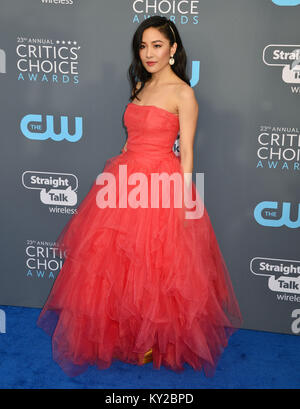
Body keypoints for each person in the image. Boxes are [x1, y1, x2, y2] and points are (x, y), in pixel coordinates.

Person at [37, 15, 243, 378]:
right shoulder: (140, 85)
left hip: (161, 186)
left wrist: (182, 200)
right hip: (125, 180)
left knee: (157, 266)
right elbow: (130, 141)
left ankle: (151, 341)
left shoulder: (183, 93)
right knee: (117, 265)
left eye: (157, 45)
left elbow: (188, 153)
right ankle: (126, 336)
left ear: (173, 49)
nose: (149, 53)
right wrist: (114, 181)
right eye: (143, 46)